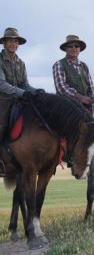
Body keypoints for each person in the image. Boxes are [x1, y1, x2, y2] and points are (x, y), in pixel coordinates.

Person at [0, 27, 45, 176]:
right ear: (4, 43)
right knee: (2, 126)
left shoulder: (21, 63)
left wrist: (35, 91)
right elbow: (2, 84)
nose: (13, 43)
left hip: (19, 101)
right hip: (3, 101)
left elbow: (25, 84)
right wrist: (23, 92)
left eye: (16, 41)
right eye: (10, 41)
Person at [52, 35, 94, 109]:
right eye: (70, 46)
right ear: (66, 48)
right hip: (67, 107)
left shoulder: (84, 66)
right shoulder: (59, 64)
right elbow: (61, 88)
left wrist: (93, 99)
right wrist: (80, 97)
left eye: (76, 46)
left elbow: (91, 87)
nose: (74, 48)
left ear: (79, 49)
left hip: (86, 106)